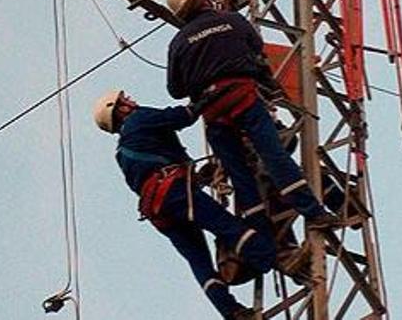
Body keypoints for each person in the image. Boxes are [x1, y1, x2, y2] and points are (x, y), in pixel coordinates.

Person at [163, 0, 340, 241]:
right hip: (243, 99)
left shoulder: (178, 43)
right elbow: (257, 52)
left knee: (240, 175)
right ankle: (315, 213)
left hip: (214, 113)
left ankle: (262, 232)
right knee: (274, 156)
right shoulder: (233, 20)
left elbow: (175, 90)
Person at [93, 89, 275, 320]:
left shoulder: (122, 153)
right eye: (124, 100)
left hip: (159, 210)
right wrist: (203, 100)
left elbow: (154, 172)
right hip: (173, 192)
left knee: (199, 261)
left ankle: (232, 312)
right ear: (118, 110)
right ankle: (269, 256)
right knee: (226, 225)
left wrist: (198, 177)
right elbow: (180, 117)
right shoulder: (138, 119)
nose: (131, 100)